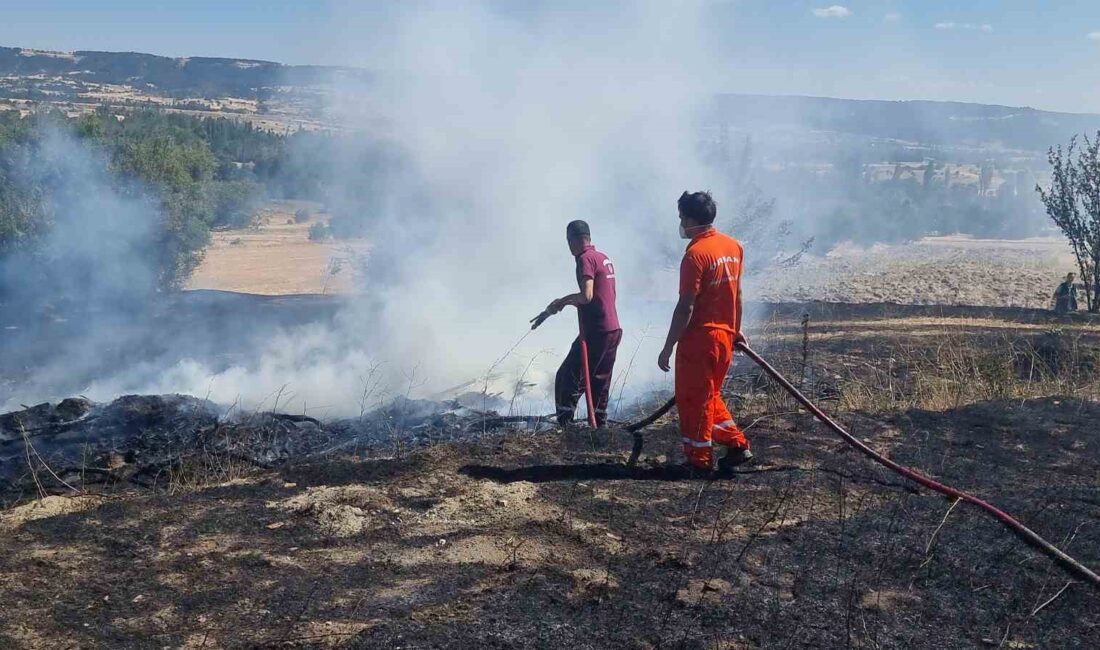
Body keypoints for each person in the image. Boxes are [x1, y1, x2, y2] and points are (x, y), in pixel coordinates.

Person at [658, 191, 752, 475]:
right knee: (709, 396)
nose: (680, 224)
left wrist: (668, 346)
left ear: (689, 219)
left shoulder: (695, 255)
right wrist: (735, 330)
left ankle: (698, 461)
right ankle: (737, 445)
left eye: (681, 218)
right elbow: (737, 295)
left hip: (699, 341)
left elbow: (685, 306)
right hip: (724, 338)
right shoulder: (733, 246)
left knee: (693, 400)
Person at [543, 220, 622, 428]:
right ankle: (599, 427)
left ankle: (565, 426)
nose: (569, 247)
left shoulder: (584, 259)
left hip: (596, 331)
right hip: (612, 329)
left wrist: (561, 301)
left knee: (567, 377)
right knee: (599, 382)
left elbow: (586, 296)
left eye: (569, 242)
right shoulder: (602, 257)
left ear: (575, 240)